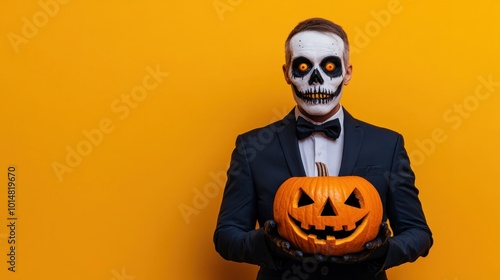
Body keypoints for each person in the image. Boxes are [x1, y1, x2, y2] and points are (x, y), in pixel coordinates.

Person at [213, 17, 432, 280]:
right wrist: (267, 244)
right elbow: (227, 235)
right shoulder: (252, 147)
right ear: (287, 73)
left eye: (329, 66)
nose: (316, 80)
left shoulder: (387, 144)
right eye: (303, 66)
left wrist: (381, 253)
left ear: (347, 73)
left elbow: (418, 233)